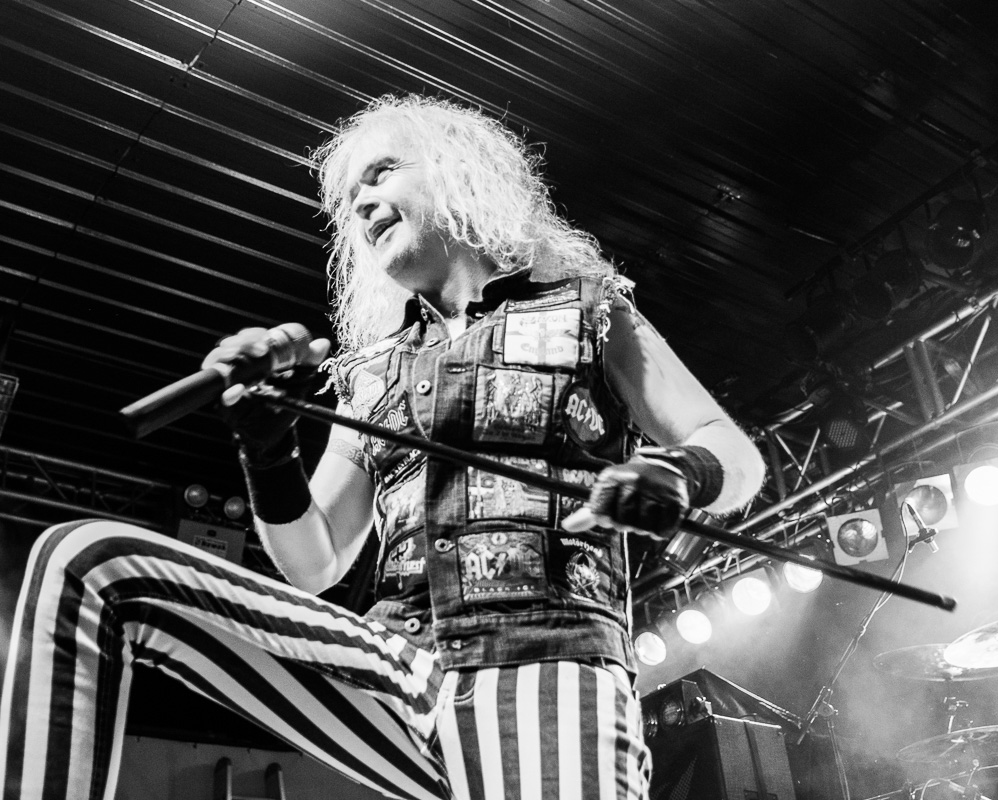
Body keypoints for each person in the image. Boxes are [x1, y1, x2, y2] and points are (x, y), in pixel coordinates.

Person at [0, 94, 764, 800]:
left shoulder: (587, 311)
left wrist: (678, 472)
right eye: (349, 198)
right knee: (91, 565)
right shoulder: (373, 373)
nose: (360, 203)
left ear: (460, 170)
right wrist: (267, 450)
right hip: (396, 663)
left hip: (543, 659)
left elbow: (734, 455)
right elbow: (315, 561)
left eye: (381, 172)